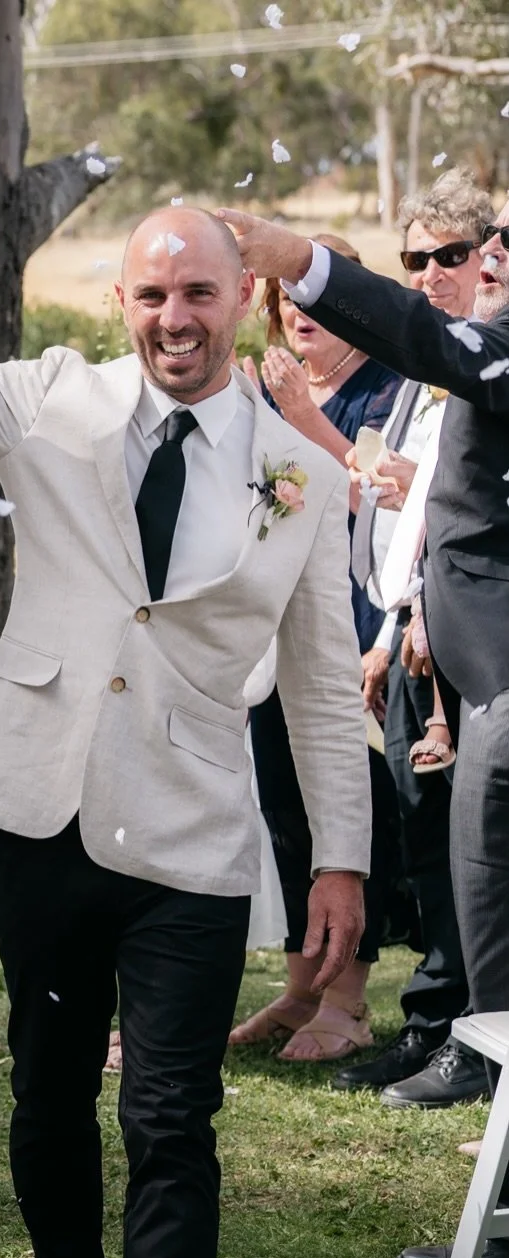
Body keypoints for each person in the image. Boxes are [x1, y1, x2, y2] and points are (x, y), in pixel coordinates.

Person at [0, 128, 370, 1258]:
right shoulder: (51, 399)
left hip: (193, 831)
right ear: (119, 301)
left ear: (246, 297)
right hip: (43, 815)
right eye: (150, 293)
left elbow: (325, 690)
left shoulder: (305, 475)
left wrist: (340, 855)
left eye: (196, 292)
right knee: (50, 1096)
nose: (173, 317)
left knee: (174, 1117)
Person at [219, 198, 509, 1258]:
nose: (486, 259)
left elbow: (422, 339)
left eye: (499, 245)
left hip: (496, 700)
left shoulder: (485, 350)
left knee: (486, 938)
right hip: (479, 691)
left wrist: (301, 259)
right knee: (491, 950)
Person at [333, 169, 491, 1108]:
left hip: (464, 643)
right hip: (405, 634)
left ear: (487, 261)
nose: (429, 275)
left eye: (450, 257)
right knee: (422, 837)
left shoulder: (484, 369)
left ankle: (472, 1038)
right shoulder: (415, 383)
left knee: (469, 850)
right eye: (414, 261)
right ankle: (432, 1025)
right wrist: (392, 627)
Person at [228, 237, 407, 1062]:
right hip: (273, 628)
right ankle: (301, 989)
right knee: (284, 808)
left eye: (316, 302)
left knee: (348, 807)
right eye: (285, 303)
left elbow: (377, 494)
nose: (296, 315)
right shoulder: (270, 388)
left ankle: (349, 999)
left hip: (355, 625)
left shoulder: (387, 387)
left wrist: (301, 420)